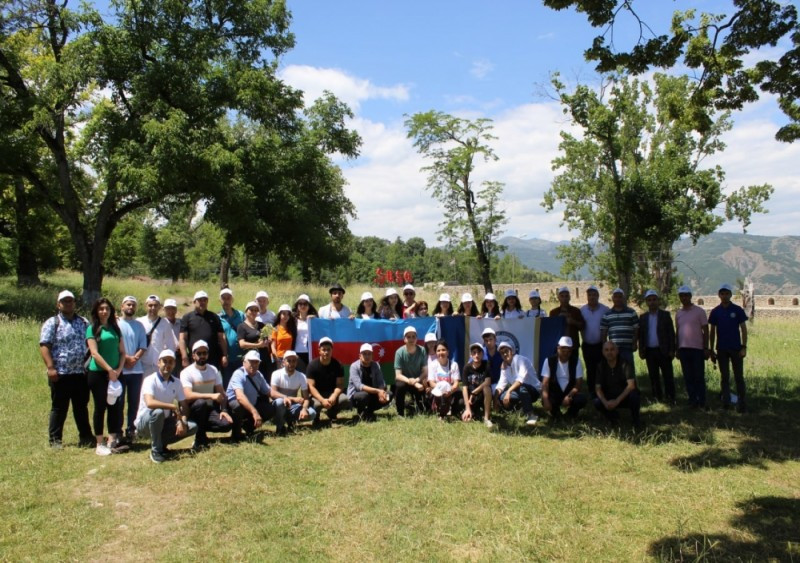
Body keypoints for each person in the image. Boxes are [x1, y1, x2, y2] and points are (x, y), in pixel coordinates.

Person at [39, 290, 93, 449]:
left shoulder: (83, 322)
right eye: (64, 301)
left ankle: (85, 437)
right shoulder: (52, 322)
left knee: (81, 407)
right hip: (60, 373)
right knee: (59, 408)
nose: (68, 304)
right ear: (58, 304)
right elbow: (44, 345)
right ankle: (55, 440)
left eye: (71, 301)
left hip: (80, 373)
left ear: (74, 303)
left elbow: (91, 343)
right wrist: (50, 367)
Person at [135, 349, 197, 463]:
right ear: (159, 363)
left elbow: (184, 406)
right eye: (165, 361)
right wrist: (171, 406)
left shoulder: (177, 382)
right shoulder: (150, 380)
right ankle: (156, 451)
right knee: (158, 412)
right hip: (145, 423)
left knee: (192, 426)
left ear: (174, 364)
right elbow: (150, 403)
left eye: (171, 362)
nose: (167, 365)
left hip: (164, 422)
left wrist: (182, 422)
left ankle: (161, 444)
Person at [85, 298, 127, 456]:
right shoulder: (92, 328)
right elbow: (94, 353)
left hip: (116, 373)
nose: (104, 311)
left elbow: (123, 352)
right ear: (96, 311)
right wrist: (109, 369)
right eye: (101, 309)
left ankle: (112, 440)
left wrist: (118, 369)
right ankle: (99, 443)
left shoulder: (116, 329)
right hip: (98, 374)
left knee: (115, 407)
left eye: (107, 309)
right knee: (100, 407)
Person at [180, 340, 233, 450]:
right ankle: (199, 438)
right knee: (201, 403)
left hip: (208, 410)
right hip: (192, 410)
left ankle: (202, 430)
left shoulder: (213, 370)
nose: (202, 356)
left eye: (205, 353)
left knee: (226, 424)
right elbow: (187, 395)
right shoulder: (186, 372)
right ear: (193, 355)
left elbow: (222, 393)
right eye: (199, 353)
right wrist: (211, 396)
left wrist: (224, 410)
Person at [709, 283, 749, 412]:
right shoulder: (715, 312)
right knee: (724, 377)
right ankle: (726, 402)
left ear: (731, 295)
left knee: (739, 377)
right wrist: (711, 349)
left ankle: (742, 403)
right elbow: (712, 331)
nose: (725, 296)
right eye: (722, 293)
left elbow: (743, 329)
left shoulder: (737, 310)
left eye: (727, 293)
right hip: (721, 349)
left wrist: (744, 347)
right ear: (719, 295)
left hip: (736, 349)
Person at [227, 350, 278, 441]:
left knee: (271, 409)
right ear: (244, 362)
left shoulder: (259, 375)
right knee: (238, 406)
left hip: (251, 403)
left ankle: (249, 428)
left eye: (256, 362)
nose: (254, 365)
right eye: (251, 362)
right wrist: (255, 412)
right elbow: (240, 397)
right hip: (236, 405)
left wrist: (286, 397)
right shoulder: (238, 374)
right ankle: (236, 434)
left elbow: (269, 392)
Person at [118, 295, 147, 443]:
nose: (130, 307)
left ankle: (131, 429)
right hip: (120, 370)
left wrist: (134, 359)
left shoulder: (139, 325)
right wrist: (126, 360)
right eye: (128, 305)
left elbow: (143, 346)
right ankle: (117, 430)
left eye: (133, 305)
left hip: (136, 370)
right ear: (122, 306)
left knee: (134, 402)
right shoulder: (116, 324)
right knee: (119, 401)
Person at [675, 285, 711, 409]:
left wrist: (706, 348)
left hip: (697, 349)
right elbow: (678, 331)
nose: (684, 298)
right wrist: (677, 348)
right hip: (683, 349)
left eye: (686, 295)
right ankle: (692, 400)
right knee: (688, 376)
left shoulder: (699, 311)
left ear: (690, 296)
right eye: (681, 296)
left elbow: (706, 330)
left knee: (698, 376)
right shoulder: (678, 314)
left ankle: (701, 400)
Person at [638, 289, 676, 403]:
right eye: (649, 300)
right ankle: (657, 396)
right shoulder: (643, 317)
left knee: (668, 375)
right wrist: (641, 349)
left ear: (658, 301)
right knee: (653, 375)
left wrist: (672, 350)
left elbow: (671, 334)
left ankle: (670, 397)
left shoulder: (665, 315)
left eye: (654, 299)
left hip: (663, 350)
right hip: (650, 351)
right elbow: (641, 335)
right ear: (646, 302)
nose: (652, 302)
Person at [594, 341, 641, 427]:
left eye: (612, 349)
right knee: (597, 402)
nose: (609, 352)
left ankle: (636, 419)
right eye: (606, 350)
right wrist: (605, 402)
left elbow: (631, 385)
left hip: (624, 396)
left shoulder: (625, 364)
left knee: (635, 396)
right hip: (609, 396)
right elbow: (598, 388)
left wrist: (617, 401)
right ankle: (612, 417)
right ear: (603, 352)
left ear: (617, 351)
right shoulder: (600, 366)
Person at [540, 336, 587, 420]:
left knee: (581, 399)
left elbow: (578, 384)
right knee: (545, 399)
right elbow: (545, 383)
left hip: (569, 392)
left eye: (568, 350)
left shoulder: (576, 361)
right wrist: (546, 400)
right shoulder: (549, 361)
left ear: (571, 350)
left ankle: (571, 414)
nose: (565, 352)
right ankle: (555, 413)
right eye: (563, 349)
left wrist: (569, 396)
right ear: (558, 348)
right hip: (555, 392)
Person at [179, 290, 228, 371]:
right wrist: (184, 357)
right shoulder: (187, 317)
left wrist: (224, 355)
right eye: (200, 300)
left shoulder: (214, 317)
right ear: (194, 302)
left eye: (205, 300)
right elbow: (182, 339)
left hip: (213, 359)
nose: (202, 302)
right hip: (195, 359)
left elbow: (221, 337)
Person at [270, 350, 316, 435]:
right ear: (283, 362)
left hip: (292, 406)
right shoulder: (276, 374)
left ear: (297, 362)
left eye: (294, 361)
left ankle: (291, 422)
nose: (291, 363)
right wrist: (290, 398)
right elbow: (273, 393)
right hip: (279, 406)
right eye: (289, 361)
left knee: (312, 413)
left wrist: (304, 409)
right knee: (280, 402)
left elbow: (306, 398)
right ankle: (280, 427)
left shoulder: (301, 376)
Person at [306, 337, 350, 425]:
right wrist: (322, 400)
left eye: (328, 349)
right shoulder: (312, 366)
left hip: (331, 393)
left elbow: (340, 385)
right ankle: (316, 417)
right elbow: (311, 387)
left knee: (344, 400)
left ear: (332, 350)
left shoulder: (338, 365)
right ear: (319, 350)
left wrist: (334, 396)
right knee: (317, 405)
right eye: (324, 349)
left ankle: (332, 414)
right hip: (317, 395)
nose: (326, 352)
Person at [495, 342, 540, 426]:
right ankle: (519, 409)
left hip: (534, 391)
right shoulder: (504, 366)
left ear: (512, 351)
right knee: (501, 396)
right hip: (519, 391)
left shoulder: (521, 360)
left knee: (521, 388)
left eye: (506, 351)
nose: (504, 354)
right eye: (502, 353)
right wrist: (495, 399)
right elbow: (501, 384)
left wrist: (508, 392)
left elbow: (520, 381)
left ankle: (531, 415)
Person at [347, 343, 391, 421]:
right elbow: (359, 386)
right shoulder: (354, 366)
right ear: (360, 356)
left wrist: (382, 392)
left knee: (389, 395)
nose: (367, 356)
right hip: (357, 396)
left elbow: (381, 382)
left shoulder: (376, 365)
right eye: (364, 354)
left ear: (372, 355)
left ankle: (369, 411)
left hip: (373, 394)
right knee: (364, 395)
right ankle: (361, 413)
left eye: (369, 354)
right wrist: (378, 391)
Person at [580, 285, 610, 398]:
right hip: (587, 345)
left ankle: (602, 390)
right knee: (590, 368)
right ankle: (592, 390)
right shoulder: (582, 310)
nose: (592, 297)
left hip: (600, 345)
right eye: (590, 295)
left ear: (598, 296)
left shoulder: (605, 310)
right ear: (587, 296)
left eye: (594, 295)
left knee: (601, 368)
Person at [394, 325, 428, 416]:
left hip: (418, 379)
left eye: (413, 336)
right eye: (408, 337)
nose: (411, 339)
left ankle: (415, 406)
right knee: (399, 386)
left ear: (417, 338)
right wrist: (411, 381)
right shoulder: (399, 352)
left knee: (422, 410)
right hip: (404, 380)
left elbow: (425, 371)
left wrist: (417, 380)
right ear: (404, 339)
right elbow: (398, 375)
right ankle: (400, 412)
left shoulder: (422, 350)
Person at [600, 288, 639, 367]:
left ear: (623, 298)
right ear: (613, 298)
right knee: (615, 371)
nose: (618, 299)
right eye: (616, 297)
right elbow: (604, 332)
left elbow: (636, 329)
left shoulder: (631, 312)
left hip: (627, 348)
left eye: (620, 297)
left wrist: (635, 343)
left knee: (629, 371)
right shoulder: (607, 315)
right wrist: (605, 347)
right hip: (613, 349)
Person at [460, 342, 494, 428]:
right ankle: (471, 411)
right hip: (470, 399)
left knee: (487, 389)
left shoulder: (486, 364)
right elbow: (464, 388)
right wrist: (467, 408)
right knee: (466, 419)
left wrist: (474, 392)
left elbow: (488, 382)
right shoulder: (466, 368)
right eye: (474, 353)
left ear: (482, 354)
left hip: (481, 396)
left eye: (479, 352)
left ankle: (486, 418)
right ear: (471, 355)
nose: (476, 355)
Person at [218, 287, 244, 390]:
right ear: (220, 300)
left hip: (241, 356)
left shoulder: (241, 315)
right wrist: (223, 355)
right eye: (223, 298)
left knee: (241, 383)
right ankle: (227, 405)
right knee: (228, 384)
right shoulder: (218, 317)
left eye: (228, 298)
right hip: (228, 357)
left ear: (232, 300)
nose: (226, 300)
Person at [428, 340, 460, 419]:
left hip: (451, 392)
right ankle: (441, 414)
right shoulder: (433, 365)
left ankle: (453, 411)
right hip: (438, 391)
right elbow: (431, 382)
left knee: (460, 402)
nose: (441, 352)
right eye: (438, 350)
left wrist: (450, 391)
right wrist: (441, 390)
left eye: (443, 350)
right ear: (436, 353)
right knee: (439, 397)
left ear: (448, 352)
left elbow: (456, 383)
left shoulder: (454, 365)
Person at [549, 287, 585, 357]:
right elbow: (551, 329)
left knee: (573, 366)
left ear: (569, 297)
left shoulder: (576, 311)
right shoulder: (553, 312)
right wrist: (558, 320)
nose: (564, 298)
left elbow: (582, 326)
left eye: (566, 296)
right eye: (562, 296)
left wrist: (573, 321)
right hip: (558, 345)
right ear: (558, 298)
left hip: (573, 345)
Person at [137, 294, 164, 379]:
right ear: (146, 306)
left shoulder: (165, 323)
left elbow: (170, 344)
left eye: (155, 305)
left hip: (158, 365)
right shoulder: (138, 322)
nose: (153, 308)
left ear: (159, 307)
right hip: (141, 364)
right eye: (150, 305)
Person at [237, 301, 271, 365]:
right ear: (246, 311)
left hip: (264, 358)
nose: (254, 312)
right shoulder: (241, 326)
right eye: (251, 310)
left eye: (256, 310)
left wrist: (266, 341)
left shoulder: (262, 325)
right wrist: (257, 345)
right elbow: (242, 344)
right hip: (251, 360)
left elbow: (267, 341)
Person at [292, 294, 318, 368]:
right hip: (297, 351)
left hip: (310, 352)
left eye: (305, 304)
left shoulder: (313, 320)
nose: (302, 306)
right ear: (297, 306)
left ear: (309, 306)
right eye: (300, 304)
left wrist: (314, 320)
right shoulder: (293, 320)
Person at [270, 304, 296, 370]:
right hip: (280, 358)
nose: (286, 316)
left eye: (288, 314)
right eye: (284, 314)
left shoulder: (291, 329)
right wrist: (277, 359)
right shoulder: (275, 329)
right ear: (280, 315)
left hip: (290, 358)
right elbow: (273, 346)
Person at [162, 298, 181, 372]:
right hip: (166, 355)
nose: (170, 311)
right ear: (164, 310)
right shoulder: (161, 324)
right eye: (168, 309)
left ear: (176, 310)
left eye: (172, 309)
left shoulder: (181, 323)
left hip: (179, 355)